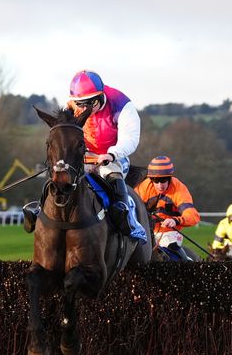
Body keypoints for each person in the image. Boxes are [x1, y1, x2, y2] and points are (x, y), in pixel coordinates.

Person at [23, 70, 144, 241]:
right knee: (60, 175)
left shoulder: (122, 105)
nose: (81, 109)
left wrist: (111, 154)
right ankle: (40, 209)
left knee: (113, 175)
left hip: (112, 157)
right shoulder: (72, 107)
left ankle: (129, 219)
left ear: (99, 98)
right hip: (83, 156)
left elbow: (130, 139)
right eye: (78, 103)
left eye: (86, 104)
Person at [135, 156, 200, 261]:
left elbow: (193, 216)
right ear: (151, 179)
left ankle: (186, 263)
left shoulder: (179, 189)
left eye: (163, 180)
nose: (160, 185)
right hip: (146, 231)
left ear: (170, 178)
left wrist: (176, 220)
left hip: (169, 233)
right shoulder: (143, 187)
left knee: (170, 250)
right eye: (156, 180)